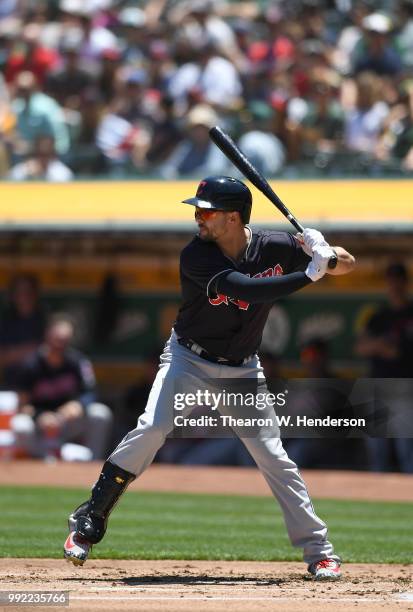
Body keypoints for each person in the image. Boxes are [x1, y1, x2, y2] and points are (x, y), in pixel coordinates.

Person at [63, 176, 355, 579]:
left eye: (207, 211)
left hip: (242, 368)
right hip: (188, 359)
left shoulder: (274, 246)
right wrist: (310, 273)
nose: (198, 217)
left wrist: (325, 252)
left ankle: (320, 552)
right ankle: (90, 516)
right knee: (152, 427)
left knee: (274, 458)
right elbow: (247, 290)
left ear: (233, 218)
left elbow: (348, 262)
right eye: (198, 210)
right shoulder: (196, 255)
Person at [13, 315, 113, 460]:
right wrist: (39, 416)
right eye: (58, 340)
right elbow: (22, 405)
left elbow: (91, 392)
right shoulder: (30, 364)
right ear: (48, 336)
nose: (61, 345)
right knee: (20, 425)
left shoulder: (77, 361)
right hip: (41, 426)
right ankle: (42, 460)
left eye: (65, 341)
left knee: (100, 414)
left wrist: (78, 404)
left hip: (67, 422)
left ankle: (93, 463)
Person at [355, 262, 413, 472]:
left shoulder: (410, 313)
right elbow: (361, 347)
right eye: (390, 279)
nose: (394, 284)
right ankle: (378, 493)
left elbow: (397, 352)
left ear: (405, 282)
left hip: (405, 388)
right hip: (378, 386)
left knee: (405, 448)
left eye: (398, 279)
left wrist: (383, 347)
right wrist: (381, 345)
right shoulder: (378, 316)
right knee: (376, 447)